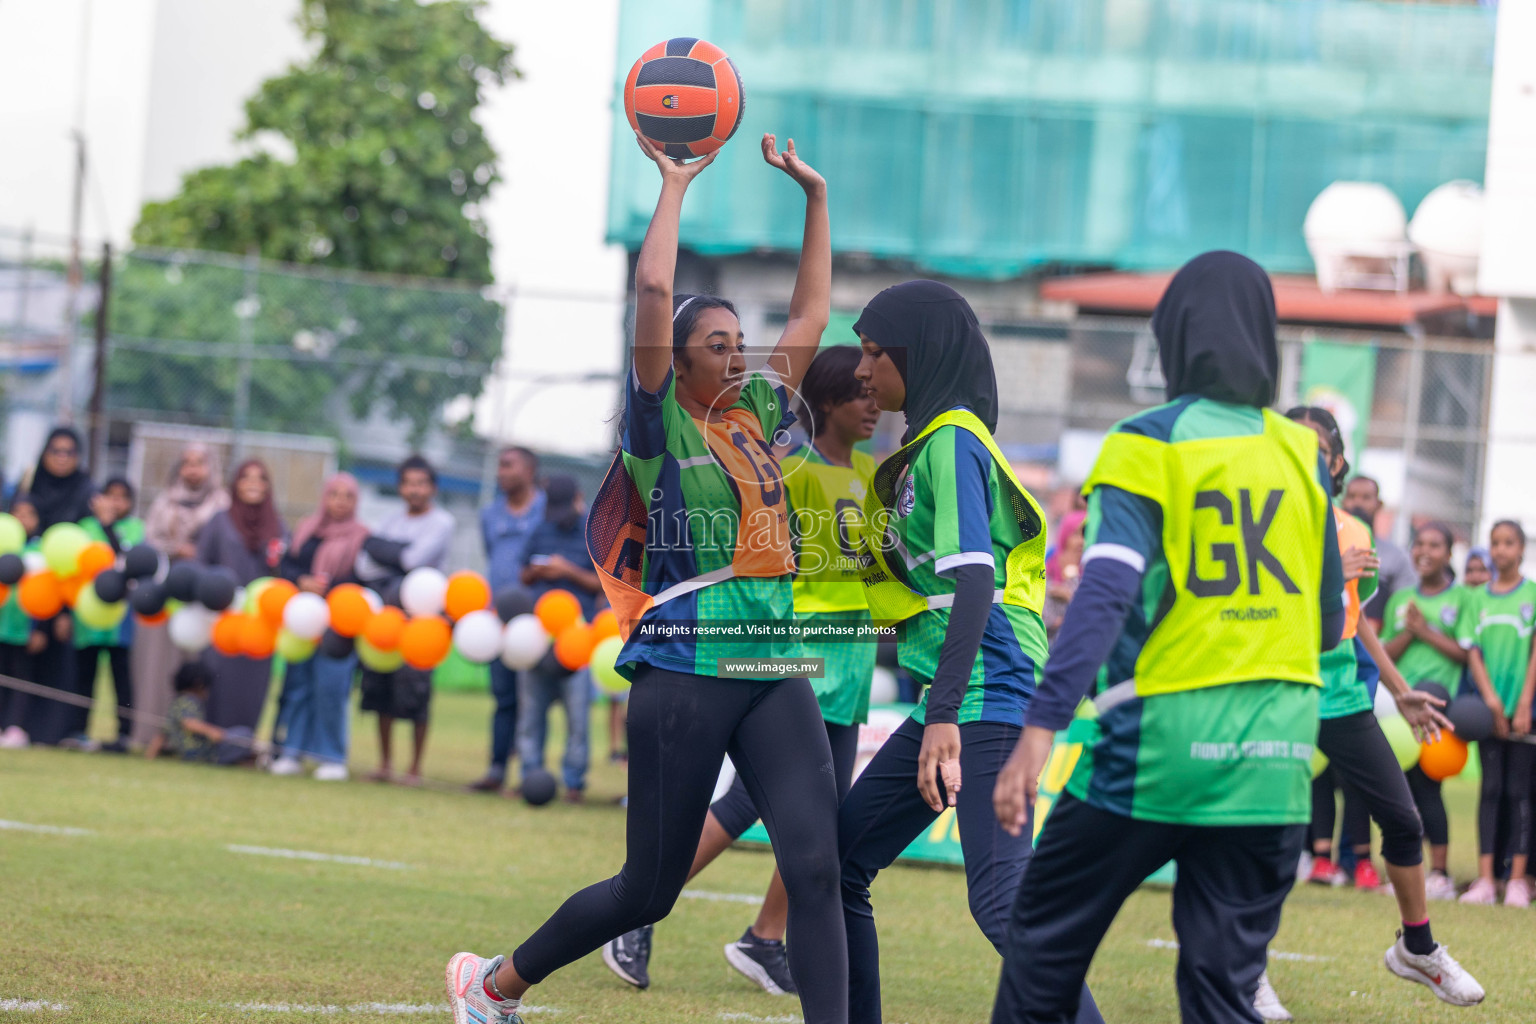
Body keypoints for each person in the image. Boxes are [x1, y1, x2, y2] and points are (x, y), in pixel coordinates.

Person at [445, 130, 840, 1024]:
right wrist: (673, 185)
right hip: (685, 671)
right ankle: (494, 985)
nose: (738, 355)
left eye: (741, 340)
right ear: (678, 355)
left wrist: (814, 199)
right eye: (717, 342)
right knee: (646, 892)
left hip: (770, 663)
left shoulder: (761, 415)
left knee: (819, 867)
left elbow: (812, 318)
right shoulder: (658, 431)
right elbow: (655, 289)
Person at [989, 252, 1345, 1024]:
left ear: (1174, 333)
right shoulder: (1300, 455)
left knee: (1042, 952)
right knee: (1221, 994)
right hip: (1277, 761)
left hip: (1164, 745)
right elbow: (1329, 624)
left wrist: (1042, 724)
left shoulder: (1146, 442)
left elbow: (1106, 589)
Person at [828, 281, 1102, 1024]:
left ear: (921, 356)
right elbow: (929, 601)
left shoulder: (950, 439)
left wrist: (944, 713)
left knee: (999, 901)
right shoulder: (930, 444)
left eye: (875, 352)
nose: (862, 368)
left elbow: (974, 579)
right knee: (841, 863)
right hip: (960, 691)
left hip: (989, 687)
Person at [603, 344, 879, 996]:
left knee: (821, 819)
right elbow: (765, 554)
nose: (873, 403)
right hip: (800, 650)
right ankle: (641, 914)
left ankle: (762, 937)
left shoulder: (868, 471)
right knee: (751, 800)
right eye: (859, 393)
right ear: (830, 401)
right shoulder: (796, 467)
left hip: (851, 657)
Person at [1258, 407, 1481, 1019]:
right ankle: (1248, 970)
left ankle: (1418, 949)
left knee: (1404, 823)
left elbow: (1352, 626)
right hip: (1282, 691)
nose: (1305, 457)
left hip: (1342, 698)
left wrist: (1401, 688)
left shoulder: (1353, 533)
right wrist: (1322, 582)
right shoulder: (1259, 520)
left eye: (1317, 448)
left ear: (1336, 461)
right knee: (1273, 838)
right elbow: (1266, 618)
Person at [1381, 523, 1471, 899]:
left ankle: (1440, 873)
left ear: (1449, 554)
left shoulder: (1463, 598)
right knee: (1404, 793)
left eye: (1435, 545)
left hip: (1440, 705)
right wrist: (1410, 631)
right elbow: (1385, 653)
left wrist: (1426, 631)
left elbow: (1467, 652)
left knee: (1428, 787)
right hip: (1400, 710)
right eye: (1419, 544)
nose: (1425, 551)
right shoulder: (1401, 598)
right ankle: (1410, 869)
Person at [355, 454, 455, 785]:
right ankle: (384, 763)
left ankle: (414, 768)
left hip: (423, 618)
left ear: (433, 488)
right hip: (387, 615)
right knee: (380, 684)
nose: (415, 490)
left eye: (422, 483)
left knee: (416, 691)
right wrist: (393, 552)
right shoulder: (391, 520)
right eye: (409, 483)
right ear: (400, 488)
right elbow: (363, 567)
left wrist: (379, 546)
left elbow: (414, 560)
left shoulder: (442, 522)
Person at [270, 472, 370, 781]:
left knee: (331, 690)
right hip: (302, 622)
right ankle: (292, 752)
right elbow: (287, 564)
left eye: (348, 496)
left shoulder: (363, 537)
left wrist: (329, 589)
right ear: (324, 497)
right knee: (298, 687)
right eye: (334, 494)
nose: (340, 502)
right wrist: (303, 581)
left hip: (339, 627)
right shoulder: (306, 530)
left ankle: (332, 757)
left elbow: (363, 580)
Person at [511, 475, 602, 803]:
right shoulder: (540, 527)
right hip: (537, 635)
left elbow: (603, 585)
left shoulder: (594, 532)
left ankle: (574, 783)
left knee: (577, 715)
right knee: (531, 712)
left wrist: (567, 571)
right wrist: (538, 571)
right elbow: (522, 572)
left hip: (577, 638)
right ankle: (529, 775)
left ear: (580, 499)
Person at [1459, 521, 1536, 906]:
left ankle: (1518, 881)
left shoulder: (1533, 594)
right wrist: (1491, 701)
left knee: (1518, 791)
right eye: (1495, 543)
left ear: (1521, 549)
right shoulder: (1477, 599)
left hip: (1525, 714)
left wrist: (1523, 703)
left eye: (1508, 543)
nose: (1501, 550)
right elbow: (1472, 651)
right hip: (1488, 712)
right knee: (1490, 790)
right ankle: (1486, 880)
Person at [134, 442, 228, 747]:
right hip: (167, 592)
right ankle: (153, 734)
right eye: (186, 462)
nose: (192, 469)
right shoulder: (164, 503)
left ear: (211, 467)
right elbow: (151, 542)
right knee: (158, 666)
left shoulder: (221, 505)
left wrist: (197, 556)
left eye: (199, 462)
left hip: (204, 596)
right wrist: (175, 550)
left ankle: (194, 739)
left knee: (198, 665)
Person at [470, 446, 545, 794]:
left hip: (536, 621)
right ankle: (496, 770)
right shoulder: (489, 514)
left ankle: (532, 775)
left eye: (507, 466)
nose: (500, 472)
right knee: (503, 697)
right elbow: (493, 556)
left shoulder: (547, 509)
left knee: (534, 701)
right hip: (497, 620)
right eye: (498, 466)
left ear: (529, 471)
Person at [197, 459, 288, 731]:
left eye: (260, 478)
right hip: (223, 617)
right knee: (219, 677)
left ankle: (242, 744)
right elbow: (203, 561)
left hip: (261, 622)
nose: (253, 483)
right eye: (245, 477)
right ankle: (213, 741)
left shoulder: (278, 526)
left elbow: (286, 572)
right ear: (235, 484)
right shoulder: (220, 521)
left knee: (253, 685)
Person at [24, 428, 94, 745]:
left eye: (69, 452)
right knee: (22, 659)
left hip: (69, 595)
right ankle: (16, 726)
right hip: (27, 595)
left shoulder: (85, 492)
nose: (62, 458)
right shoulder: (30, 488)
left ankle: (55, 732)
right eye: (55, 451)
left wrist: (65, 608)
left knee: (62, 662)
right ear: (44, 454)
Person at [72, 477, 146, 752]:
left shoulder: (135, 529)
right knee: (84, 674)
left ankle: (124, 734)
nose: (115, 502)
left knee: (121, 677)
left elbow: (128, 562)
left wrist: (108, 525)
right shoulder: (84, 528)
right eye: (109, 495)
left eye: (122, 496)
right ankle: (79, 730)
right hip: (87, 618)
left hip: (120, 619)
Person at [143, 662, 254, 765]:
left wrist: (149, 756)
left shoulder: (176, 703)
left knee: (239, 738)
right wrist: (213, 732)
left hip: (189, 754)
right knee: (244, 734)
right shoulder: (189, 701)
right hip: (202, 753)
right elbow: (189, 722)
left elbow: (162, 734)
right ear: (199, 684)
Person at [0, 496, 45, 748]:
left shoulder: (39, 550)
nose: (22, 519)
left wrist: (40, 629)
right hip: (1, 624)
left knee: (20, 677)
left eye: (29, 514)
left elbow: (46, 593)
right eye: (17, 513)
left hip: (24, 627)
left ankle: (15, 727)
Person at [1343, 475, 1416, 630]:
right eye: (1351, 496)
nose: (1358, 503)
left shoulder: (1396, 557)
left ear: (1379, 504)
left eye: (1366, 497)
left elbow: (1403, 607)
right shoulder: (1329, 546)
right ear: (1342, 501)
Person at [1044, 510, 1086, 641]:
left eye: (1085, 535)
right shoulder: (1048, 567)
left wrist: (1069, 595)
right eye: (1075, 534)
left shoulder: (1093, 572)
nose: (1081, 541)